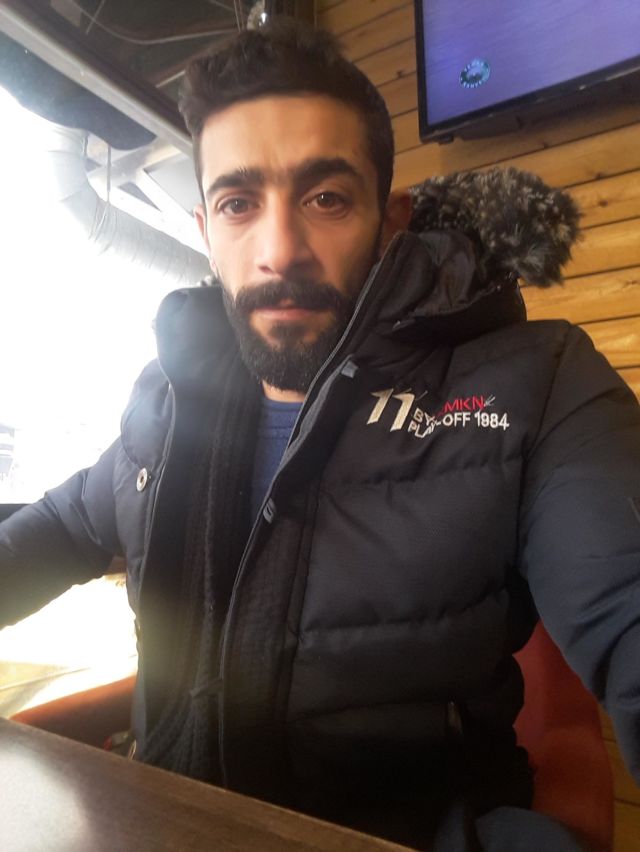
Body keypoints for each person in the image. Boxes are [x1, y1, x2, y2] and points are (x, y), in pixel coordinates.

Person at [1, 19, 639, 852]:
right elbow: (59, 524)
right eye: (238, 204)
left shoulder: (539, 383)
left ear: (390, 221)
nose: (280, 250)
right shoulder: (168, 399)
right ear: (206, 230)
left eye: (326, 198)